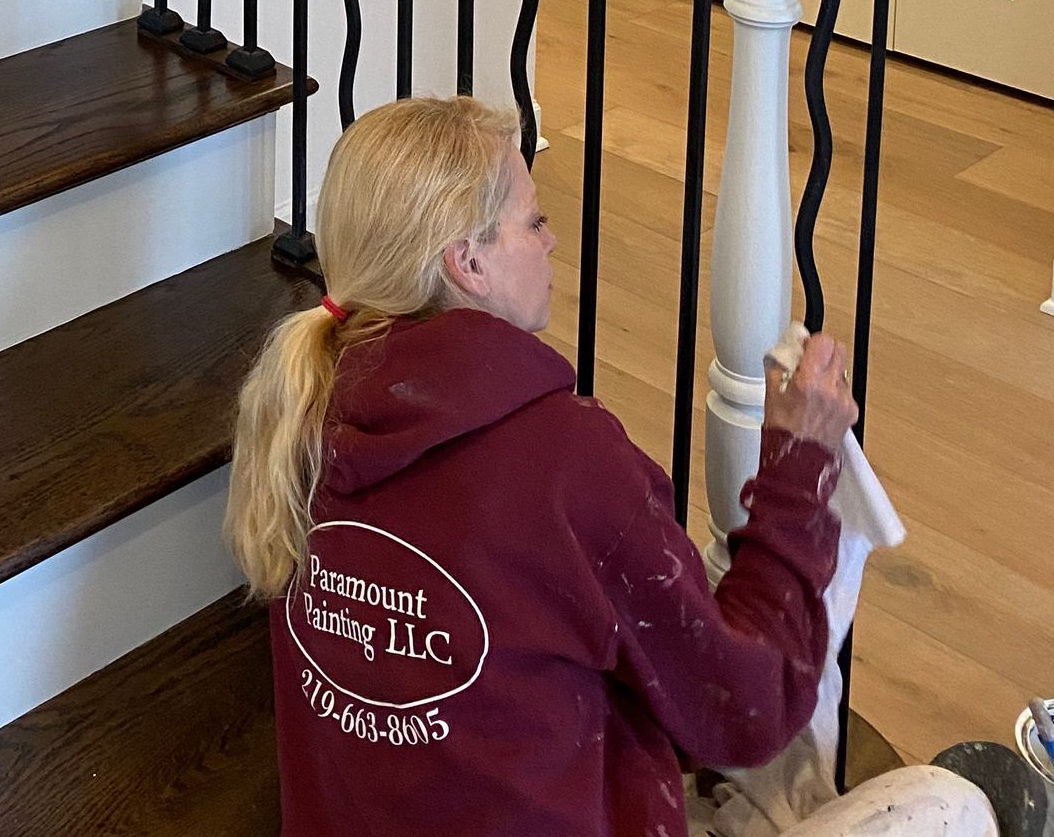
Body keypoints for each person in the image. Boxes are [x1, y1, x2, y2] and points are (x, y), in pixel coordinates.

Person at [226, 96, 997, 837]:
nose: (552, 239)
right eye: (532, 220)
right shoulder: (563, 459)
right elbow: (743, 710)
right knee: (947, 804)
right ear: (468, 263)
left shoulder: (301, 413)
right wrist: (798, 471)